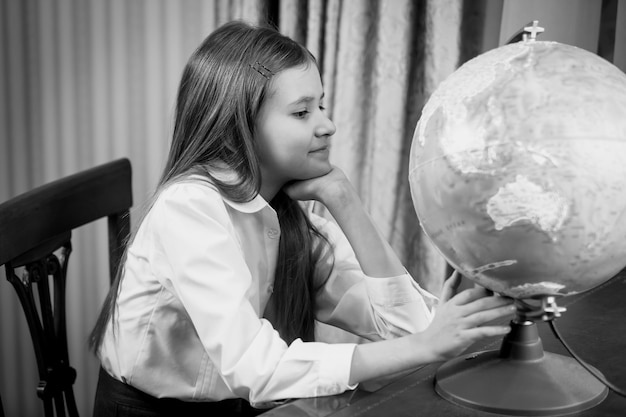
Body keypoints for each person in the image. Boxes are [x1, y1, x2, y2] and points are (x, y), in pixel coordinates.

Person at [89, 20, 515, 417]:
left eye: (322, 106)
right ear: (238, 125)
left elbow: (411, 328)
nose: (327, 125)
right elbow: (253, 366)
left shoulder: (289, 217)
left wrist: (345, 199)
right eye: (301, 112)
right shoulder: (189, 208)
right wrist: (425, 345)